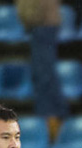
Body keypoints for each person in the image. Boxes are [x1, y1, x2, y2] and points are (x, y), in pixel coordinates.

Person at [18, 0, 69, 140]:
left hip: (43, 24)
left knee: (44, 76)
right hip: (41, 25)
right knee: (43, 75)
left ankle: (52, 121)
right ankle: (51, 119)